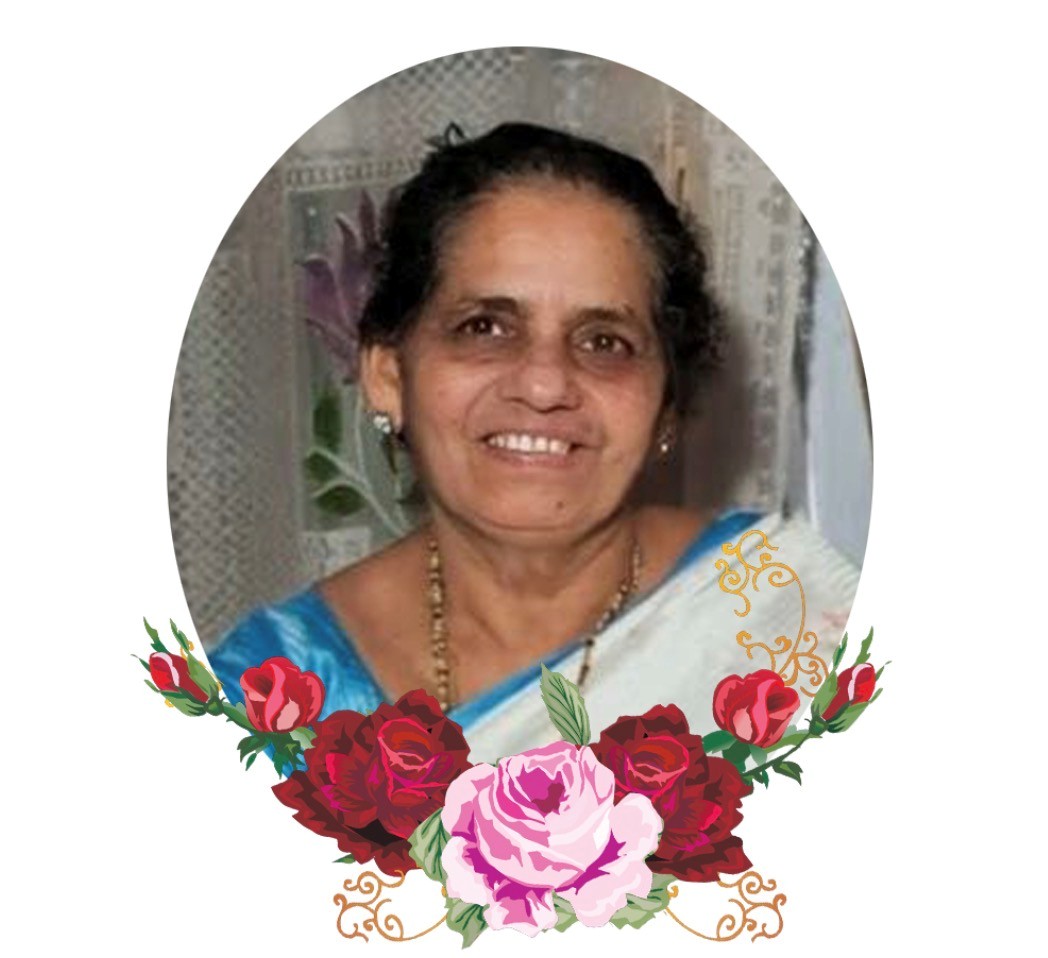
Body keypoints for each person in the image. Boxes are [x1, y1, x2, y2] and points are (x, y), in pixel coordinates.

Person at [207, 123, 860, 763]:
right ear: (389, 378)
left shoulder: (792, 620)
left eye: (604, 342)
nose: (546, 384)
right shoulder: (269, 697)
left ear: (667, 405)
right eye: (485, 327)